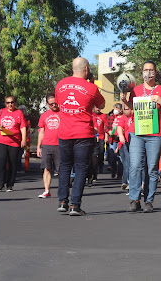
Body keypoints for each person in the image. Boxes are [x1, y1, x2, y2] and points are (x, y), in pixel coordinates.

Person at [121, 60, 161, 213]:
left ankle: (149, 201)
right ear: (142, 72)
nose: (148, 73)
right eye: (145, 70)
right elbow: (128, 113)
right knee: (135, 165)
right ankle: (134, 199)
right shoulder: (135, 90)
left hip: (155, 134)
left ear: (155, 72)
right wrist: (124, 101)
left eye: (151, 70)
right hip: (136, 133)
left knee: (152, 168)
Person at [55, 57, 105, 216]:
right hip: (83, 133)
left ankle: (63, 201)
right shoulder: (91, 88)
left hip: (64, 133)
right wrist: (92, 84)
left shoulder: (60, 84)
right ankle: (74, 205)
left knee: (64, 166)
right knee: (81, 168)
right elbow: (102, 105)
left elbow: (59, 103)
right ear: (86, 69)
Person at [0, 95, 27, 192]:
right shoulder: (1, 111)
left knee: (13, 163)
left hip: (14, 142)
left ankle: (9, 184)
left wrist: (23, 139)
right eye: (8, 103)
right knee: (1, 161)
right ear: (5, 104)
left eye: (12, 102)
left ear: (15, 103)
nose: (10, 104)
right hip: (1, 140)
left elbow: (23, 127)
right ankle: (0, 184)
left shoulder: (19, 113)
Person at [37, 93, 60, 198]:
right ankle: (47, 191)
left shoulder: (63, 113)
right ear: (47, 104)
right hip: (46, 144)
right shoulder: (44, 116)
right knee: (47, 168)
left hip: (60, 145)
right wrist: (38, 147)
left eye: (55, 103)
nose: (54, 105)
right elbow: (41, 132)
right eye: (51, 104)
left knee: (61, 169)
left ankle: (63, 191)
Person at [107, 103, 124, 179]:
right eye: (114, 108)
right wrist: (108, 132)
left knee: (120, 158)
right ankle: (114, 170)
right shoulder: (111, 117)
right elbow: (106, 128)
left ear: (120, 110)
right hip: (113, 140)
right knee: (112, 157)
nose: (115, 110)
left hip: (121, 139)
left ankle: (120, 174)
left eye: (117, 108)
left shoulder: (123, 117)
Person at [92, 106, 108, 176]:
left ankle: (100, 166)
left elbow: (105, 127)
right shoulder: (91, 115)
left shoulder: (103, 115)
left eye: (99, 108)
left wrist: (106, 136)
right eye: (96, 107)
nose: (98, 109)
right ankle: (93, 168)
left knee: (101, 152)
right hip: (93, 136)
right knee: (94, 154)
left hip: (101, 136)